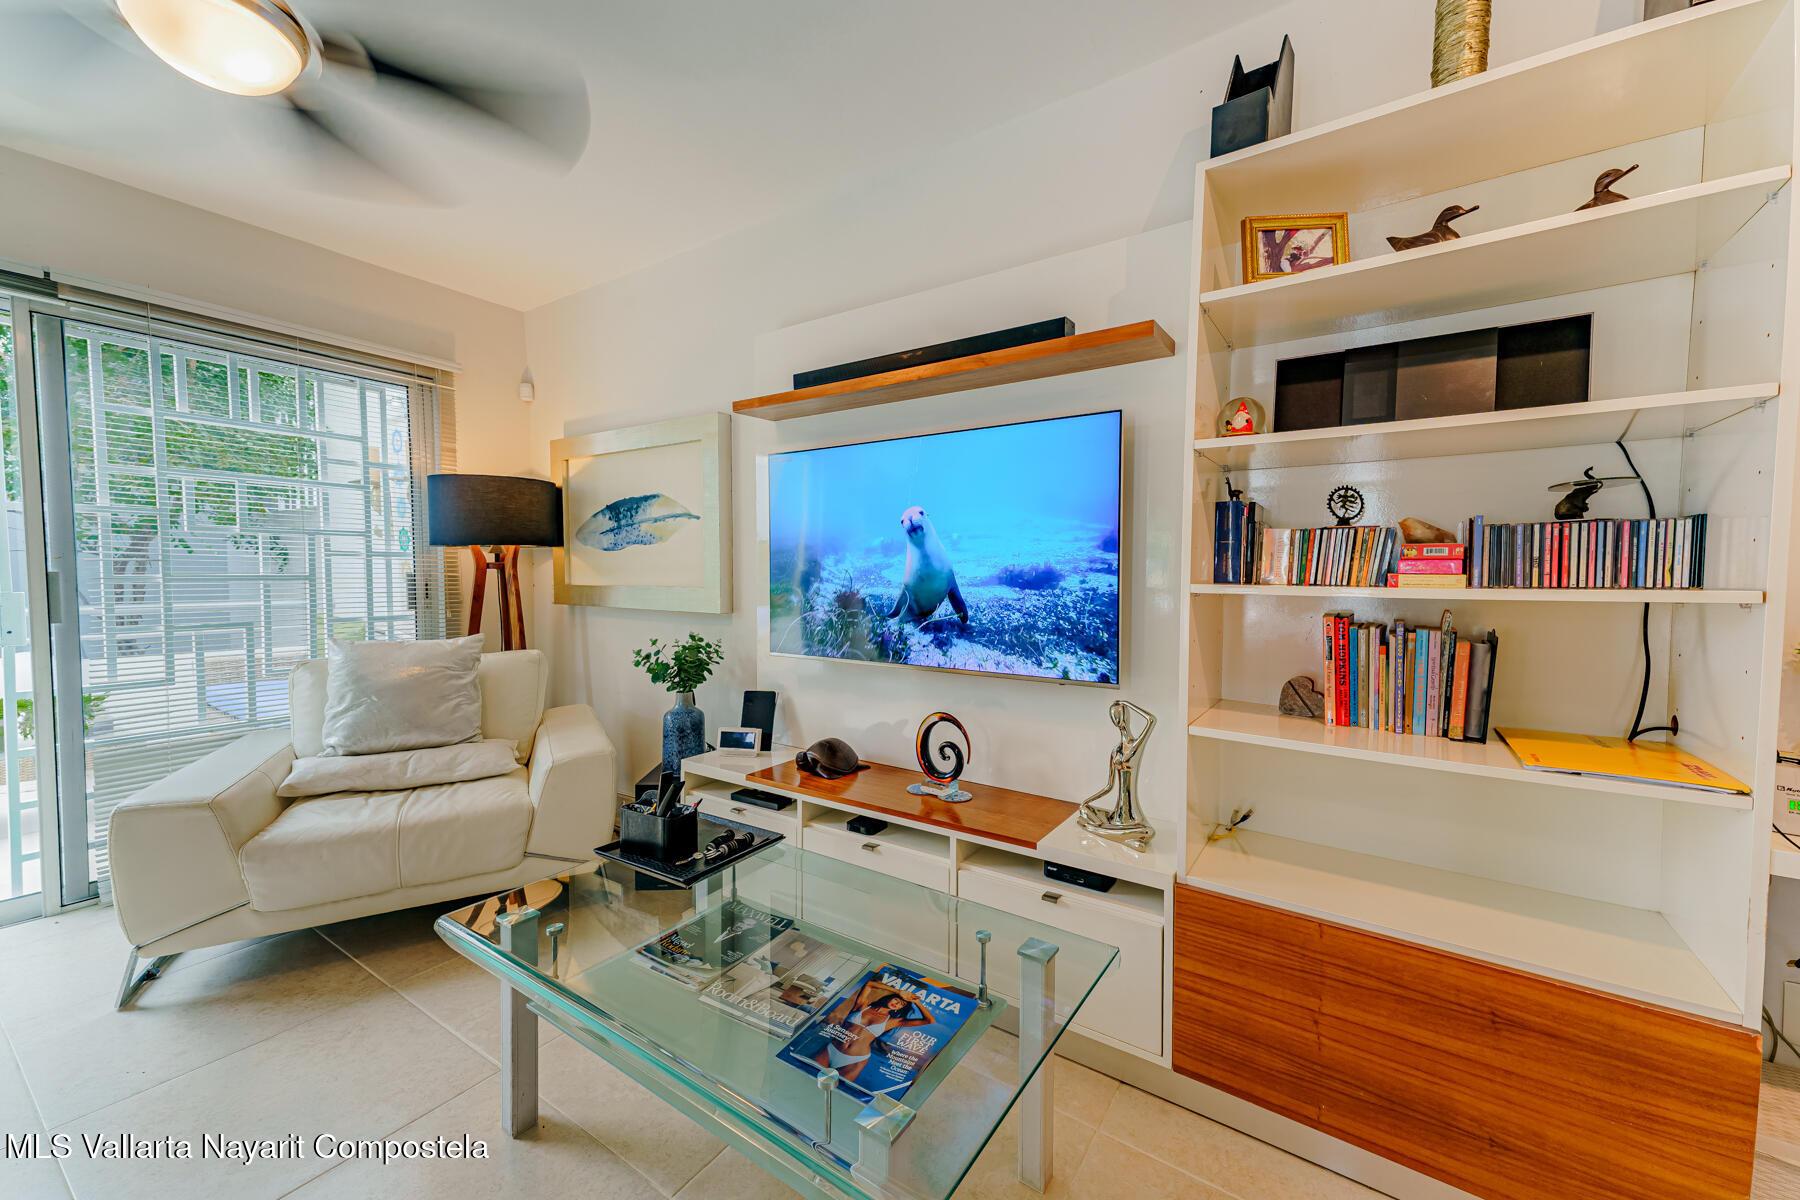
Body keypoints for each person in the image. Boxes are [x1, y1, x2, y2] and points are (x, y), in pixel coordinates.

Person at [811, 987, 934, 1086]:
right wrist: (898, 992)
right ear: (890, 998)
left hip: (855, 1061)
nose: (896, 1004)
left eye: (901, 1005)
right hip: (831, 1049)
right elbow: (870, 984)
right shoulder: (863, 1006)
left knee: (835, 1092)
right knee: (809, 1075)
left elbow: (929, 1020)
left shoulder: (892, 1022)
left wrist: (916, 1001)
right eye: (896, 1000)